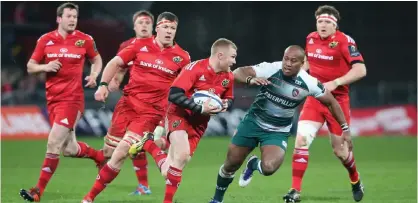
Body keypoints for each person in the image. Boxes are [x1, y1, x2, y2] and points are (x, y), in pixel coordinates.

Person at [208, 45, 351, 203]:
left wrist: (345, 128)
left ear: (302, 63)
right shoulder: (271, 69)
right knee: (231, 165)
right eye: (286, 59)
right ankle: (217, 200)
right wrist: (250, 79)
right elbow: (237, 73)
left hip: (277, 131)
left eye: (293, 61)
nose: (287, 63)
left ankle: (254, 164)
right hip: (252, 123)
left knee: (269, 168)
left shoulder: (309, 83)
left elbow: (332, 102)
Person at [81, 11, 190, 203]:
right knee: (108, 153)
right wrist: (104, 85)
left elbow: (186, 88)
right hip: (126, 106)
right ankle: (150, 146)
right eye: (165, 27)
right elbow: (115, 63)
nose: (169, 31)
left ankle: (88, 198)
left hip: (150, 113)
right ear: (157, 28)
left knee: (121, 152)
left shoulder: (182, 57)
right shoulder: (139, 45)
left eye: (173, 28)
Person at [129, 38, 237, 203]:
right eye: (232, 57)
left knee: (171, 169)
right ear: (220, 55)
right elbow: (174, 94)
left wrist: (224, 105)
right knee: (182, 154)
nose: (234, 61)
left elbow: (229, 98)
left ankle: (149, 144)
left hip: (199, 124)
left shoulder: (228, 76)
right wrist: (199, 108)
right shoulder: (194, 69)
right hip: (179, 114)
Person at [19, 2, 103, 202]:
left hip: (72, 100)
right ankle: (99, 157)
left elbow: (97, 60)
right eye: (69, 16)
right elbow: (31, 66)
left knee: (53, 142)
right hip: (53, 100)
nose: (73, 20)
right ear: (59, 18)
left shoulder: (85, 40)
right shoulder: (46, 40)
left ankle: (37, 191)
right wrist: (46, 66)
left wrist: (94, 75)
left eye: (75, 16)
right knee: (68, 149)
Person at [283, 5, 367, 203]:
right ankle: (295, 191)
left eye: (327, 22)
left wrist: (336, 82)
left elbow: (361, 70)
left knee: (340, 150)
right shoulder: (310, 38)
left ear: (335, 25)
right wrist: (298, 77)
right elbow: (308, 63)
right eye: (320, 21)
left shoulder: (345, 41)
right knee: (301, 141)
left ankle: (355, 179)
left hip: (337, 102)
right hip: (315, 100)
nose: (322, 25)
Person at [98, 9, 168, 196]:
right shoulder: (127, 45)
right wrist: (113, 82)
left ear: (153, 26)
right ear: (134, 26)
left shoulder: (162, 44)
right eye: (140, 23)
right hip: (132, 103)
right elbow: (120, 68)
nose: (144, 26)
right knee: (112, 149)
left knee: (140, 143)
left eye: (147, 23)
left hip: (157, 106)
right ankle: (160, 148)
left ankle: (145, 184)